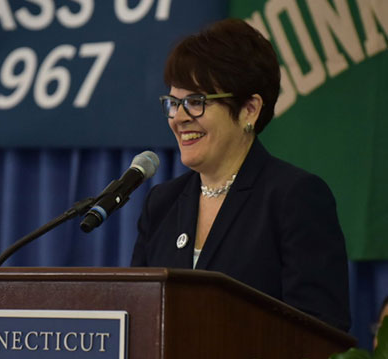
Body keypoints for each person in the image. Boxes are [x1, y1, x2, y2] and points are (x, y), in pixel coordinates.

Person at [131, 18, 350, 331]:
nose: (178, 118)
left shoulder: (294, 197)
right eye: (173, 103)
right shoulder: (162, 203)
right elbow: (138, 318)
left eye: (195, 102)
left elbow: (320, 332)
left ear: (250, 109)